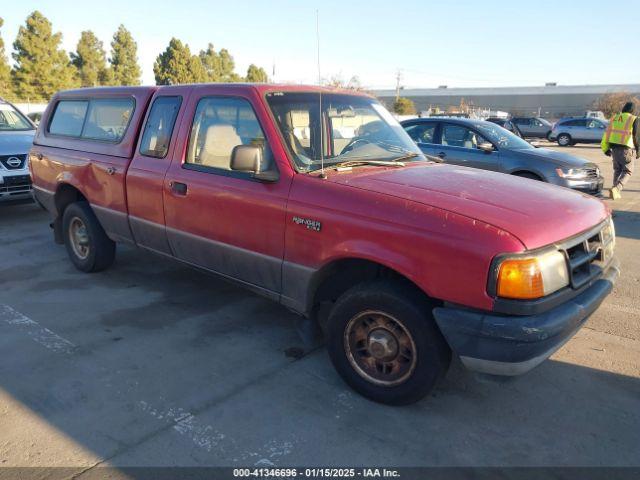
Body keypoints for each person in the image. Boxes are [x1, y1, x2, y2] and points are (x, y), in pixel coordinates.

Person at [601, 101, 638, 200]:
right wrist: (638, 150)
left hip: (614, 149)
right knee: (628, 170)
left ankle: (614, 191)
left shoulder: (614, 118)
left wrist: (605, 148)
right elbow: (636, 136)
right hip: (626, 149)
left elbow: (607, 134)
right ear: (632, 110)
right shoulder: (634, 119)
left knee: (617, 170)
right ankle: (617, 189)